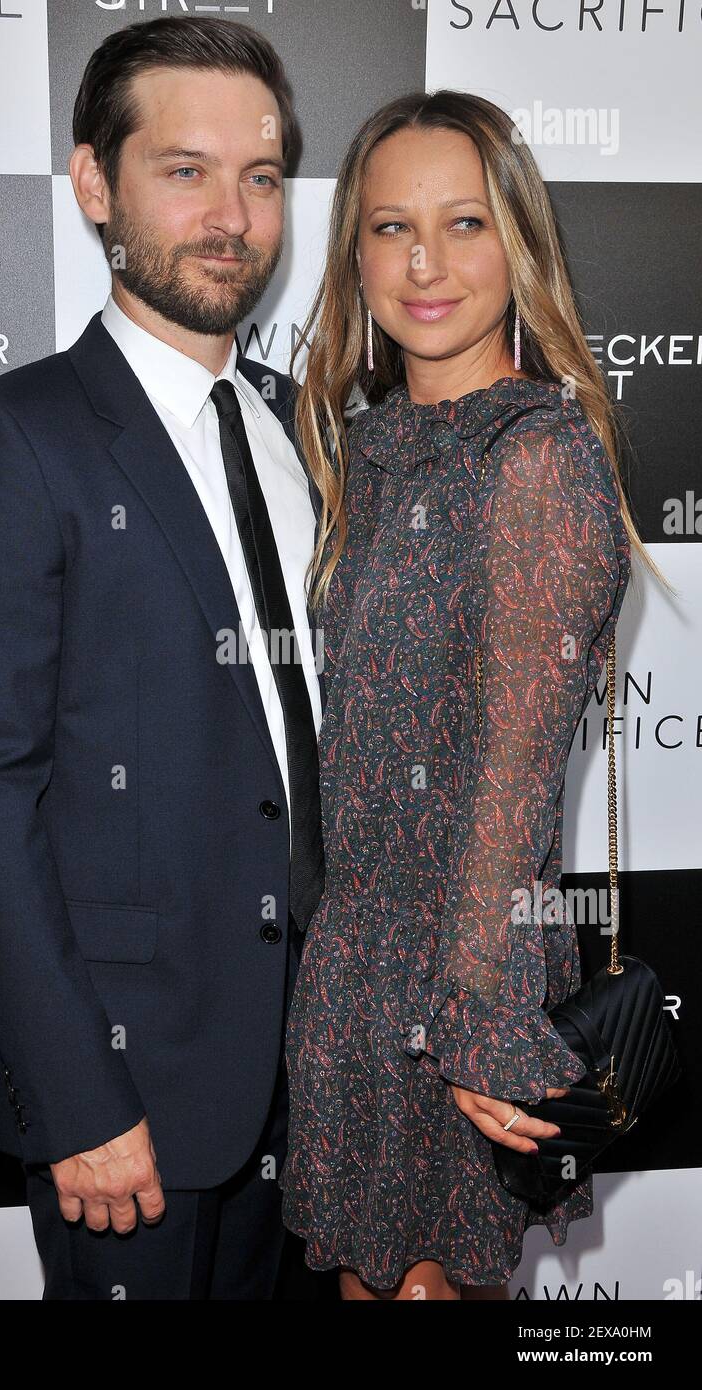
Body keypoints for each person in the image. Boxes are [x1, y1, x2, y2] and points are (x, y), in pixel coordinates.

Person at [0, 16, 325, 1300]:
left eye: (258, 177)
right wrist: (77, 1093)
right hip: (134, 1095)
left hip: (317, 1086)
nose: (232, 215)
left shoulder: (297, 426)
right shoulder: (11, 437)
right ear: (95, 184)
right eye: (184, 170)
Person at [279, 91, 667, 1301]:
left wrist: (479, 1023)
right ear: (354, 254)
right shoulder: (371, 449)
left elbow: (508, 785)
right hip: (353, 964)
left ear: (518, 243)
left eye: (463, 223)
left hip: (457, 969)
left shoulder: (536, 456)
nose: (425, 263)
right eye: (390, 228)